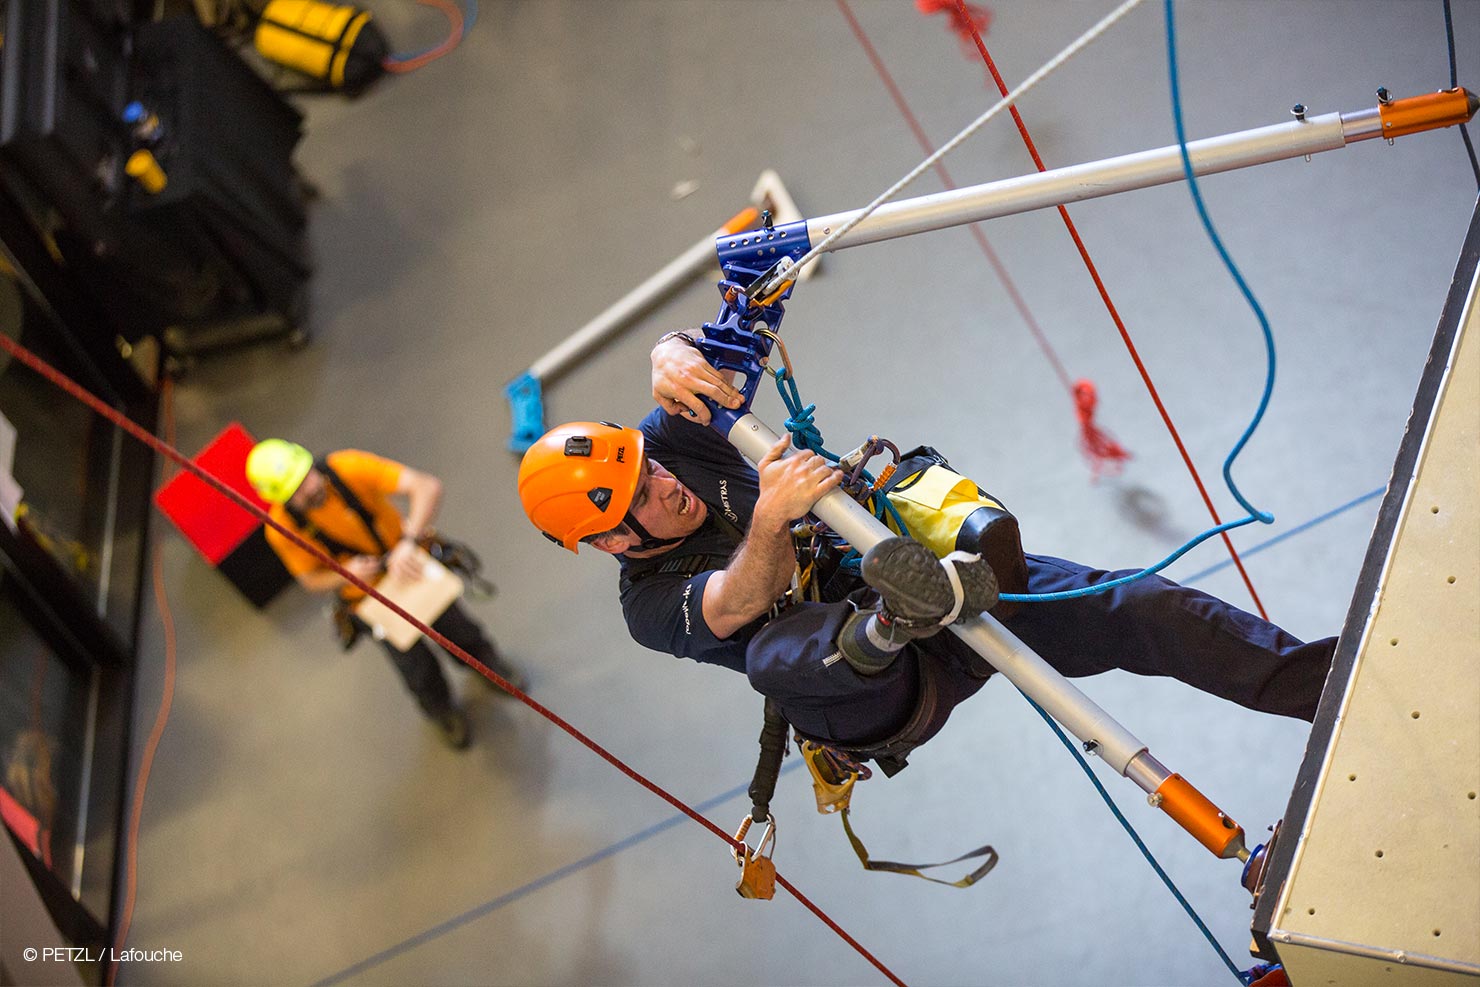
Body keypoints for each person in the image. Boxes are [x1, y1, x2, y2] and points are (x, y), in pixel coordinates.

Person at [516, 333, 1335, 772]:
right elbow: (731, 602)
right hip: (881, 687)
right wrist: (770, 519)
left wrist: (674, 347)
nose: (667, 485)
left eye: (651, 465)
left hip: (937, 585)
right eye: (642, 501)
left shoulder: (670, 447)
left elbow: (736, 332)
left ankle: (1327, 693)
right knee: (774, 652)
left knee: (1139, 607)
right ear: (611, 541)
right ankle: (894, 620)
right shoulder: (647, 608)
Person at [247, 439, 525, 750]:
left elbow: (426, 486)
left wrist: (408, 542)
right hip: (367, 598)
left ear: (310, 463)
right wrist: (344, 574)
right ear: (281, 500)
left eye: (306, 477)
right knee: (416, 668)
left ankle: (488, 666)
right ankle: (441, 710)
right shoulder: (282, 530)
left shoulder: (348, 468)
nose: (308, 489)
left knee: (458, 629)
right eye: (295, 492)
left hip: (409, 566)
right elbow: (310, 580)